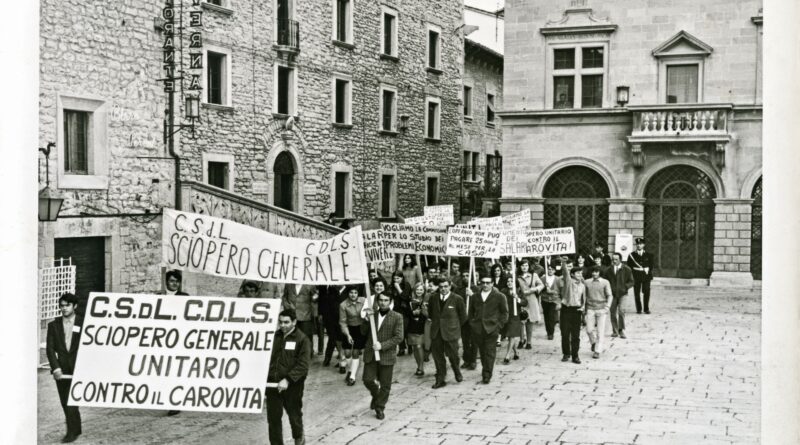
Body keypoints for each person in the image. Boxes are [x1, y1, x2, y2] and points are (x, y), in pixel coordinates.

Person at [266, 309, 311, 445]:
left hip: (292, 385)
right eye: (280, 322)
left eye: (286, 322)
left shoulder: (302, 339)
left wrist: (288, 380)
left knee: (294, 415)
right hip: (273, 384)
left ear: (294, 322)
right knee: (273, 418)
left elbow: (303, 366)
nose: (283, 325)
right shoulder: (274, 337)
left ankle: (299, 437)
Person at [46, 293, 83, 443]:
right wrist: (56, 368)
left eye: (67, 305)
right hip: (61, 370)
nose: (64, 308)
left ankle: (71, 432)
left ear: (74, 306)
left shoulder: (84, 322)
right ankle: (77, 427)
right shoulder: (53, 325)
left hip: (78, 367)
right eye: (61, 305)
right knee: (64, 401)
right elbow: (49, 349)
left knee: (72, 400)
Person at [362, 293, 404, 420]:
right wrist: (365, 320)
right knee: (367, 379)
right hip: (371, 353)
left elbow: (399, 337)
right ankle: (376, 395)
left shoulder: (397, 317)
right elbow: (363, 332)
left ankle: (379, 407)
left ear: (390, 302)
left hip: (386, 354)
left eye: (386, 300)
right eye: (380, 300)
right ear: (377, 301)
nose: (383, 303)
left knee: (385, 384)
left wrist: (383, 345)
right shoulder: (372, 315)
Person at [466, 274, 508, 384]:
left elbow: (504, 313)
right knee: (483, 351)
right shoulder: (475, 296)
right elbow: (470, 312)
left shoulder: (499, 296)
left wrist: (499, 326)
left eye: (488, 283)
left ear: (492, 284)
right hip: (478, 329)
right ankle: (486, 368)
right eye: (483, 282)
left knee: (490, 352)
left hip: (492, 328)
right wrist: (472, 323)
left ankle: (487, 374)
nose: (485, 285)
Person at [426, 278, 466, 388]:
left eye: (445, 286)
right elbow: (430, 313)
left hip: (451, 332)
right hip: (436, 332)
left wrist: (454, 327)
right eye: (441, 287)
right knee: (438, 357)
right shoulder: (433, 298)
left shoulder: (457, 299)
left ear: (450, 286)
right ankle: (440, 378)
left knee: (453, 355)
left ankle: (456, 371)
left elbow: (463, 317)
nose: (443, 289)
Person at [160, 270, 188, 416]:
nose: (174, 283)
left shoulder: (184, 297)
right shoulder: (160, 297)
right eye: (171, 281)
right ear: (166, 282)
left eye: (176, 281)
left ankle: (175, 401)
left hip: (179, 340)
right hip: (163, 340)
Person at [554, 262, 586, 364]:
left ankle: (575, 356)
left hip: (577, 311)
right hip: (566, 310)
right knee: (565, 333)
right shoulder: (568, 282)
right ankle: (566, 353)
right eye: (577, 273)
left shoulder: (582, 285)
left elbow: (584, 299)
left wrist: (583, 307)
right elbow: (565, 273)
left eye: (581, 273)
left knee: (576, 335)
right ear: (572, 274)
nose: (580, 275)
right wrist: (563, 263)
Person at [339, 285, 367, 386]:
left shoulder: (364, 300)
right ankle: (351, 369)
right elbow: (343, 322)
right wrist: (348, 335)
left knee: (355, 352)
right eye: (351, 292)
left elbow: (369, 311)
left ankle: (352, 376)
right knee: (347, 353)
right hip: (349, 329)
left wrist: (368, 316)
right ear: (348, 293)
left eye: (355, 292)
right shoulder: (343, 305)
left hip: (360, 329)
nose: (353, 295)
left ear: (358, 293)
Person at [584, 266, 613, 359]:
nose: (594, 274)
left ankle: (597, 350)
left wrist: (607, 307)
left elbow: (609, 295)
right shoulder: (587, 282)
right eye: (593, 272)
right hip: (590, 308)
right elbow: (583, 295)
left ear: (600, 272)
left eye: (596, 272)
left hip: (601, 308)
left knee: (600, 331)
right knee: (589, 330)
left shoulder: (605, 282)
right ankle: (593, 342)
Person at [606, 252, 634, 339]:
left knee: (621, 311)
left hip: (623, 294)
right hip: (612, 295)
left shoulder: (627, 269)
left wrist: (625, 287)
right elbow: (606, 281)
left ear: (620, 260)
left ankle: (621, 330)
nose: (614, 261)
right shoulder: (608, 270)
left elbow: (632, 281)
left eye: (616, 259)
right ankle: (615, 330)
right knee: (612, 312)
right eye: (613, 259)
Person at [318, 284, 347, 368]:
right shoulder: (326, 288)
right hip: (329, 317)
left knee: (337, 338)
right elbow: (322, 300)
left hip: (340, 317)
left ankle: (337, 359)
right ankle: (335, 358)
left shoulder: (343, 288)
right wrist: (320, 313)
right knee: (332, 336)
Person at [517, 259, 544, 349]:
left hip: (531, 299)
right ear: (519, 267)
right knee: (521, 320)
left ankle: (529, 342)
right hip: (521, 299)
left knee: (530, 321)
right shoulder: (517, 276)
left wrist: (534, 289)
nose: (524, 267)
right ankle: (521, 339)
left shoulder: (533, 275)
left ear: (529, 266)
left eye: (526, 265)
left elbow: (541, 285)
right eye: (522, 265)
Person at [283, 284, 318, 351]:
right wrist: (288, 307)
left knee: (306, 338)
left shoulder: (310, 285)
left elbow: (314, 298)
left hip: (305, 316)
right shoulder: (288, 284)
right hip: (292, 316)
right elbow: (284, 297)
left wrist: (315, 297)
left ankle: (307, 356)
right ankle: (292, 356)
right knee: (291, 337)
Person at [454, 270, 477, 370]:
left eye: (467, 275)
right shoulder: (458, 290)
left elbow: (481, 302)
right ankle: (466, 360)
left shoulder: (475, 288)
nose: (465, 277)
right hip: (463, 319)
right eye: (463, 275)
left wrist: (472, 295)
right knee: (465, 341)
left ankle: (473, 360)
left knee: (474, 341)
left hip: (473, 318)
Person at [627, 238, 655, 314]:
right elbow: (629, 267)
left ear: (644, 245)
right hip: (636, 276)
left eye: (641, 244)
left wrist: (647, 270)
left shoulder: (649, 255)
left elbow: (651, 266)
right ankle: (639, 309)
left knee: (646, 291)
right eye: (638, 244)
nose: (639, 245)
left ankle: (646, 308)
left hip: (646, 276)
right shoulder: (631, 255)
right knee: (636, 292)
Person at [406, 283, 428, 376]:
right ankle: (418, 365)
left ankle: (421, 367)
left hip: (422, 326)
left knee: (419, 346)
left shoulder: (426, 301)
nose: (419, 291)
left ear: (424, 291)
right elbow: (406, 313)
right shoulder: (410, 301)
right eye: (417, 289)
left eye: (421, 290)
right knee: (415, 347)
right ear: (414, 290)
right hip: (412, 326)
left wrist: (424, 311)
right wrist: (412, 312)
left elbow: (428, 314)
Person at [388, 272, 412, 356]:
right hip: (396, 310)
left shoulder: (406, 285)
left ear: (402, 278)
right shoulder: (391, 286)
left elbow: (405, 297)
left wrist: (398, 288)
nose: (396, 280)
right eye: (394, 278)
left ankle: (410, 345)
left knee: (406, 329)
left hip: (405, 310)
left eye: (398, 278)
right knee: (398, 330)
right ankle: (402, 348)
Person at [501, 276, 523, 364]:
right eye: (508, 281)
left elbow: (525, 302)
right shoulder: (503, 291)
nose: (509, 283)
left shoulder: (519, 291)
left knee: (512, 335)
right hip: (506, 315)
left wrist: (517, 298)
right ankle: (516, 352)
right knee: (509, 335)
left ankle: (507, 355)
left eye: (511, 281)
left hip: (515, 315)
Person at [540, 265, 560, 340]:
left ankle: (551, 333)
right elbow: (539, 289)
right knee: (546, 316)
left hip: (554, 300)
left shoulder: (557, 279)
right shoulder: (543, 279)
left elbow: (559, 290)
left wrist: (551, 291)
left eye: (552, 269)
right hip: (545, 300)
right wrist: (544, 287)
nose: (550, 271)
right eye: (549, 269)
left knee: (551, 316)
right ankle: (548, 331)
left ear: (555, 271)